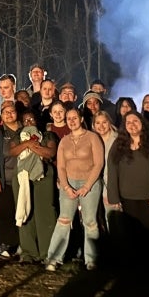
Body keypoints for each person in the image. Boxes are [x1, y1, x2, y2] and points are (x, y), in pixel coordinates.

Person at [105, 112, 149, 263]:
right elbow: (112, 169)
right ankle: (135, 269)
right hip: (127, 198)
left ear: (142, 123)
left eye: (135, 121)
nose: (132, 124)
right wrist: (113, 197)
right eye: (128, 122)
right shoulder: (119, 145)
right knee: (131, 235)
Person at [45, 105, 104, 271]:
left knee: (90, 221)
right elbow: (61, 167)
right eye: (68, 119)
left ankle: (91, 260)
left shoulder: (92, 138)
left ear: (81, 119)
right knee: (64, 220)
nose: (71, 121)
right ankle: (53, 258)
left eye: (74, 118)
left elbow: (98, 163)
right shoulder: (64, 141)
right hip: (69, 183)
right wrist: (66, 186)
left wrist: (87, 186)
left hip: (90, 183)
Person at [8, 109, 58, 264]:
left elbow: (50, 152)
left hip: (43, 174)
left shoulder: (47, 135)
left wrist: (32, 147)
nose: (29, 123)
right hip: (23, 175)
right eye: (26, 121)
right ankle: (29, 252)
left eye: (32, 120)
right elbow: (13, 151)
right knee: (24, 210)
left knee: (45, 212)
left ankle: (47, 253)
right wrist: (28, 144)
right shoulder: (18, 135)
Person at [0, 102, 24, 256]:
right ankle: (6, 244)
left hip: (23, 180)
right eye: (5, 112)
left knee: (21, 211)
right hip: (5, 180)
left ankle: (21, 243)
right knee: (5, 213)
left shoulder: (25, 132)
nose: (9, 114)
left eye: (12, 111)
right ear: (1, 115)